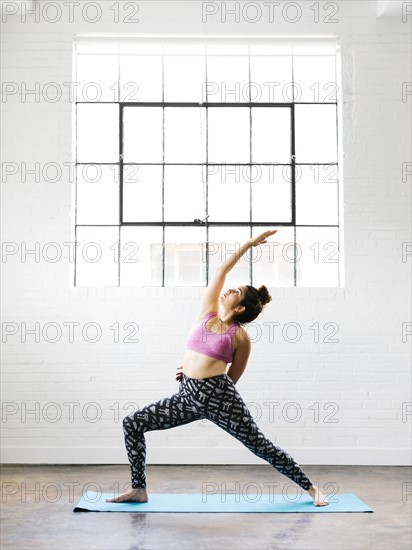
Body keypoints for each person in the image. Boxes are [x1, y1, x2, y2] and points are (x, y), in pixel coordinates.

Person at [107, 230, 328, 506]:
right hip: (186, 396)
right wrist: (248, 244)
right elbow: (222, 269)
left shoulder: (239, 337)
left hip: (219, 397)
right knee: (133, 423)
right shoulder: (206, 313)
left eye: (236, 292)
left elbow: (231, 378)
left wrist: (207, 383)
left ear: (239, 309)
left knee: (259, 445)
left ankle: (312, 489)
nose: (229, 289)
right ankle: (139, 489)